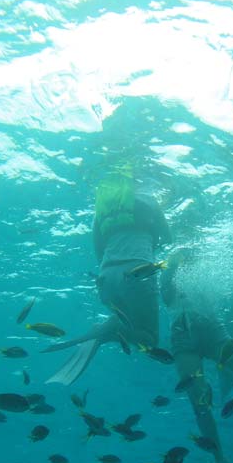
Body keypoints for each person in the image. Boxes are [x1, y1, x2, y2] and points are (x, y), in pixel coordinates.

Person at [45, 165, 171, 385]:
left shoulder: (102, 211)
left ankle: (110, 327)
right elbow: (168, 238)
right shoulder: (149, 201)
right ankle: (105, 330)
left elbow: (98, 251)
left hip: (106, 278)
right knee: (149, 340)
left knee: (129, 322)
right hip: (137, 274)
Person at [159, 251, 233, 463]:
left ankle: (224, 368)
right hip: (183, 339)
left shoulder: (205, 264)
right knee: (199, 400)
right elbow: (165, 297)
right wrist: (171, 266)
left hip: (214, 332)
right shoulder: (166, 272)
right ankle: (219, 459)